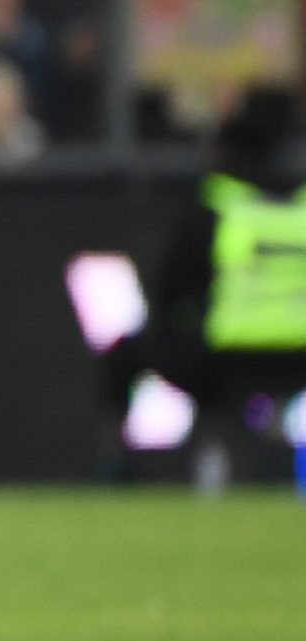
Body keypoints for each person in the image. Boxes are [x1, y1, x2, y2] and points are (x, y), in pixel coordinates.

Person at [100, 100, 306, 471]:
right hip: (300, 360)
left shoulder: (218, 204)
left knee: (126, 354)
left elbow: (173, 289)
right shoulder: (300, 207)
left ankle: (123, 467)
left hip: (228, 361)